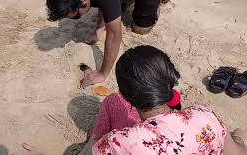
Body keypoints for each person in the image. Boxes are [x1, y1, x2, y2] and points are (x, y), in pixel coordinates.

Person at [86, 45, 247, 154]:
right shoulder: (206, 117)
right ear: (170, 78)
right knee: (239, 133)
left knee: (111, 102)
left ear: (126, 95)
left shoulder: (117, 143)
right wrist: (238, 138)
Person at [45, 0, 170, 87]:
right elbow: (101, 0)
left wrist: (102, 73)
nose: (77, 18)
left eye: (77, 16)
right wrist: (99, 29)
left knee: (141, 29)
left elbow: (114, 35)